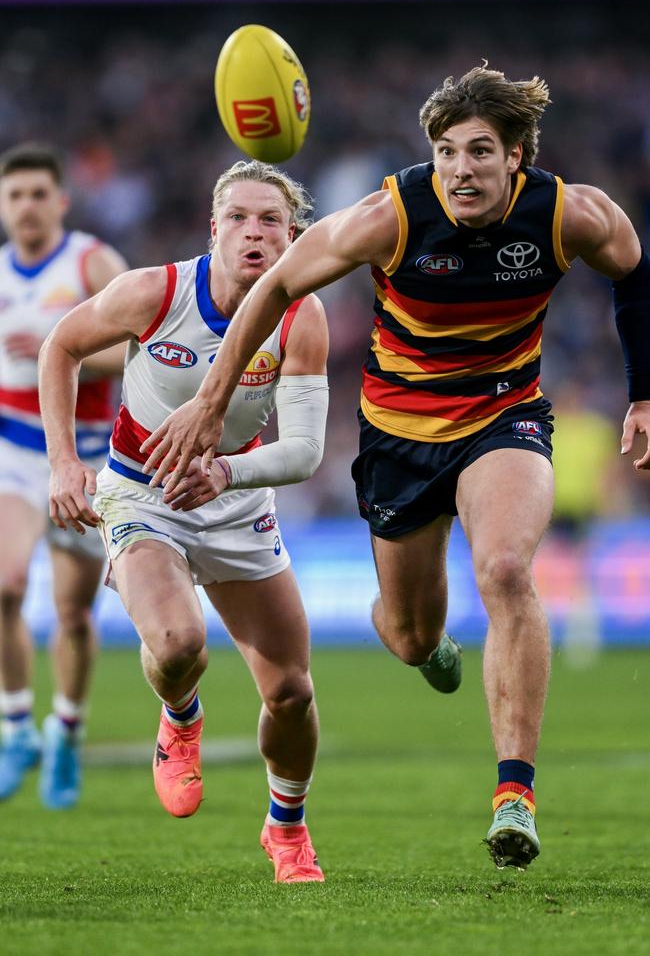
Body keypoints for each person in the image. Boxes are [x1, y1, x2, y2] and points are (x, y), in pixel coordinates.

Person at [137, 66, 650, 871]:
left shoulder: (569, 214)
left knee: (509, 569)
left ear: (517, 157)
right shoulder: (389, 216)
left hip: (503, 417)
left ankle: (514, 793)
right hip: (398, 438)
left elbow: (634, 272)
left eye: (480, 152)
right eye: (447, 151)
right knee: (409, 637)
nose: (461, 169)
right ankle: (427, 642)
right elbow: (274, 287)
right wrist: (211, 401)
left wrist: (643, 393)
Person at [39, 160, 330, 884]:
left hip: (236, 502)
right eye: (239, 218)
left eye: (271, 222)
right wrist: (63, 463)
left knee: (291, 691)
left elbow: (305, 450)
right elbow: (61, 347)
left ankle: (286, 829)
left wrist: (226, 472)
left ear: (292, 237)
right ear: (214, 227)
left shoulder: (303, 313)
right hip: (142, 493)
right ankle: (181, 717)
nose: (254, 233)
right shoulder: (156, 291)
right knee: (177, 643)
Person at [0, 143, 128, 809]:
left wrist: (59, 345)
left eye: (36, 194)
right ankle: (17, 724)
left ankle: (67, 732)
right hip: (16, 450)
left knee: (73, 613)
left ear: (60, 201)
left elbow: (146, 341)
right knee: (5, 583)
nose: (25, 206)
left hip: (88, 453)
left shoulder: (91, 262)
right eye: (14, 195)